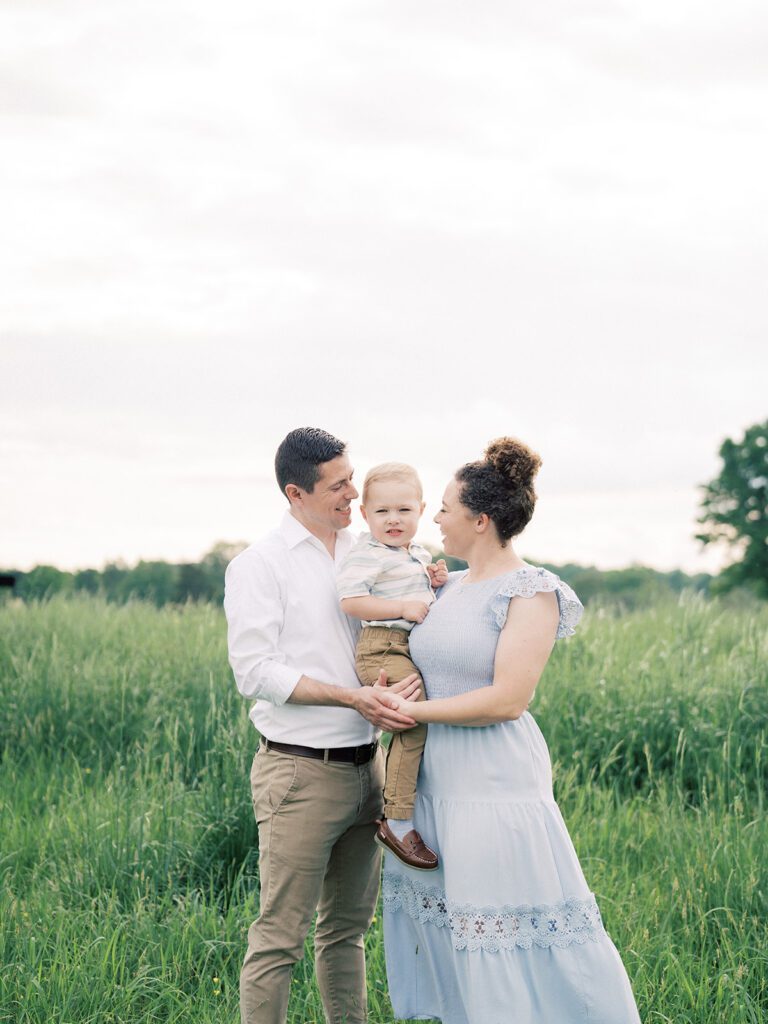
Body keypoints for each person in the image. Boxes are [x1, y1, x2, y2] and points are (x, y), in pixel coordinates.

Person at [379, 437, 642, 1024]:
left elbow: (508, 698)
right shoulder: (442, 587)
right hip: (431, 777)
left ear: (480, 519)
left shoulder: (532, 590)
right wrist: (389, 695)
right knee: (449, 921)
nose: (434, 518)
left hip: (492, 780)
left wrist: (414, 714)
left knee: (501, 914)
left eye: (444, 507)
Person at [224, 427, 419, 1024]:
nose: (351, 494)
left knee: (347, 933)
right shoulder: (260, 565)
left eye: (351, 479)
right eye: (338, 486)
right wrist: (351, 698)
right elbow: (256, 672)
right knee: (279, 937)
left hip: (370, 767)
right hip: (299, 772)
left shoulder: (371, 550)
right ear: (295, 492)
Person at [336, 462, 449, 871]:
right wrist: (402, 607)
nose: (393, 520)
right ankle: (398, 820)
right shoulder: (367, 553)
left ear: (420, 510)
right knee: (413, 721)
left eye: (403, 510)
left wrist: (433, 580)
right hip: (381, 647)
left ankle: (408, 802)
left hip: (405, 647)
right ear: (365, 515)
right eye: (382, 511)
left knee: (414, 725)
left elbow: (416, 591)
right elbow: (351, 601)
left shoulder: (416, 554)